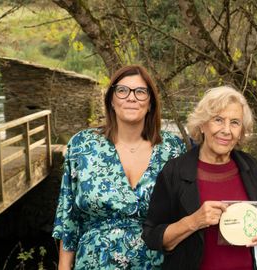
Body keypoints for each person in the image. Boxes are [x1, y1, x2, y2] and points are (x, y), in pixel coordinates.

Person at [52, 65, 186, 269]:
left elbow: (183, 216)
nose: (131, 98)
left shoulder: (172, 149)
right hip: (94, 263)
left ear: (150, 103)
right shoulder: (83, 145)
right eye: (122, 91)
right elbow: (68, 218)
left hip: (156, 264)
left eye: (140, 92)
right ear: (111, 101)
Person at [142, 86, 257, 270]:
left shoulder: (249, 167)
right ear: (202, 124)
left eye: (235, 122)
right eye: (218, 120)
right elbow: (152, 236)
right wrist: (194, 221)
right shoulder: (175, 171)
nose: (226, 130)